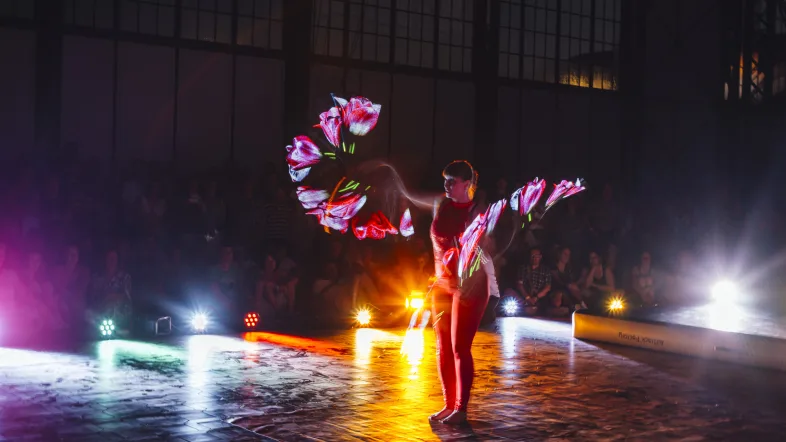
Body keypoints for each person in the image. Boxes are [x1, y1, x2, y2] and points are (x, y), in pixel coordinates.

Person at [408, 160, 490, 425]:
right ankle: (448, 404)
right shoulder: (443, 206)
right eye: (444, 180)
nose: (446, 185)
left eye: (451, 181)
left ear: (467, 184)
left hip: (469, 287)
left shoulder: (478, 212)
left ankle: (461, 408)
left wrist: (465, 280)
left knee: (459, 347)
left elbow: (482, 253)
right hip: (442, 285)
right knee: (442, 347)